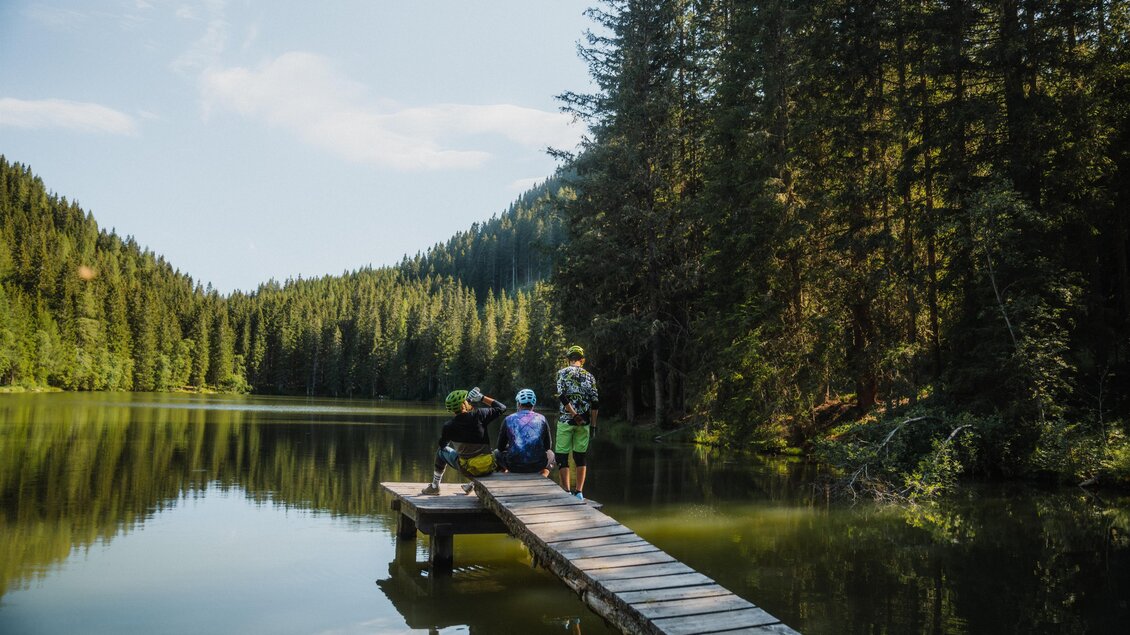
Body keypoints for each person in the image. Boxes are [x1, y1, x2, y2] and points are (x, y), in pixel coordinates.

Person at [421, 387, 507, 495]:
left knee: (441, 452)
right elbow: (502, 408)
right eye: (467, 401)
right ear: (463, 405)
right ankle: (473, 484)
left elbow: (443, 445)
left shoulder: (448, 426)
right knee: (500, 451)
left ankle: (435, 487)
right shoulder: (480, 415)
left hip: (467, 470)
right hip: (488, 467)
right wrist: (482, 398)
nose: (469, 402)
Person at [554, 345, 599, 500]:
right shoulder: (590, 377)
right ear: (582, 360)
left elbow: (562, 396)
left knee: (562, 456)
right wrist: (593, 426)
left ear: (568, 359)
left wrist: (573, 415)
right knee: (580, 457)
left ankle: (566, 491)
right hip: (584, 423)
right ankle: (579, 492)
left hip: (566, 421)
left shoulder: (562, 373)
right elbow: (595, 403)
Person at [496, 388, 554, 476]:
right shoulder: (542, 418)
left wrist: (510, 446)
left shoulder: (508, 419)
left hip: (513, 466)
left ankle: (504, 475)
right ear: (533, 404)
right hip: (537, 466)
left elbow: (500, 447)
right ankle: (543, 476)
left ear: (519, 403)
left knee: (496, 453)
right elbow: (548, 446)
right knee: (551, 454)